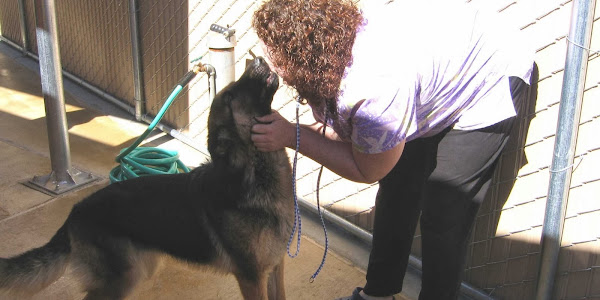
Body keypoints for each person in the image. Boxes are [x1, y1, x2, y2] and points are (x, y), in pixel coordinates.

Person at [250, 0, 535, 299]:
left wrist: (292, 135)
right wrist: (293, 132)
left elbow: (367, 169)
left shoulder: (373, 86)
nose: (269, 62)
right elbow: (352, 137)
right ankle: (378, 294)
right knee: (398, 187)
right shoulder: (331, 49)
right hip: (432, 72)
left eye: (274, 54)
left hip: (485, 74)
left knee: (444, 214)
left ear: (302, 54)